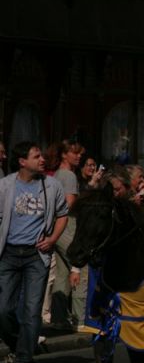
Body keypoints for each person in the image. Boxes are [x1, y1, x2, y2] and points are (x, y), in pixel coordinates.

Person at [0, 141, 68, 363]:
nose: (42, 159)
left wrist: (52, 239)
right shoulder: (5, 186)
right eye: (36, 156)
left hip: (36, 256)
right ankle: (20, 348)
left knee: (31, 311)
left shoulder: (52, 186)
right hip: (8, 254)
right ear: (22, 162)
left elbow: (62, 215)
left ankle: (25, 361)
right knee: (3, 310)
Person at [45, 140, 84, 330]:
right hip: (67, 225)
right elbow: (69, 205)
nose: (78, 157)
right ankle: (80, 318)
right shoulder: (68, 175)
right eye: (74, 153)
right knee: (80, 266)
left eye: (80, 154)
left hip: (54, 226)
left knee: (62, 272)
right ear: (64, 155)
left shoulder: (56, 175)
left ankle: (58, 318)